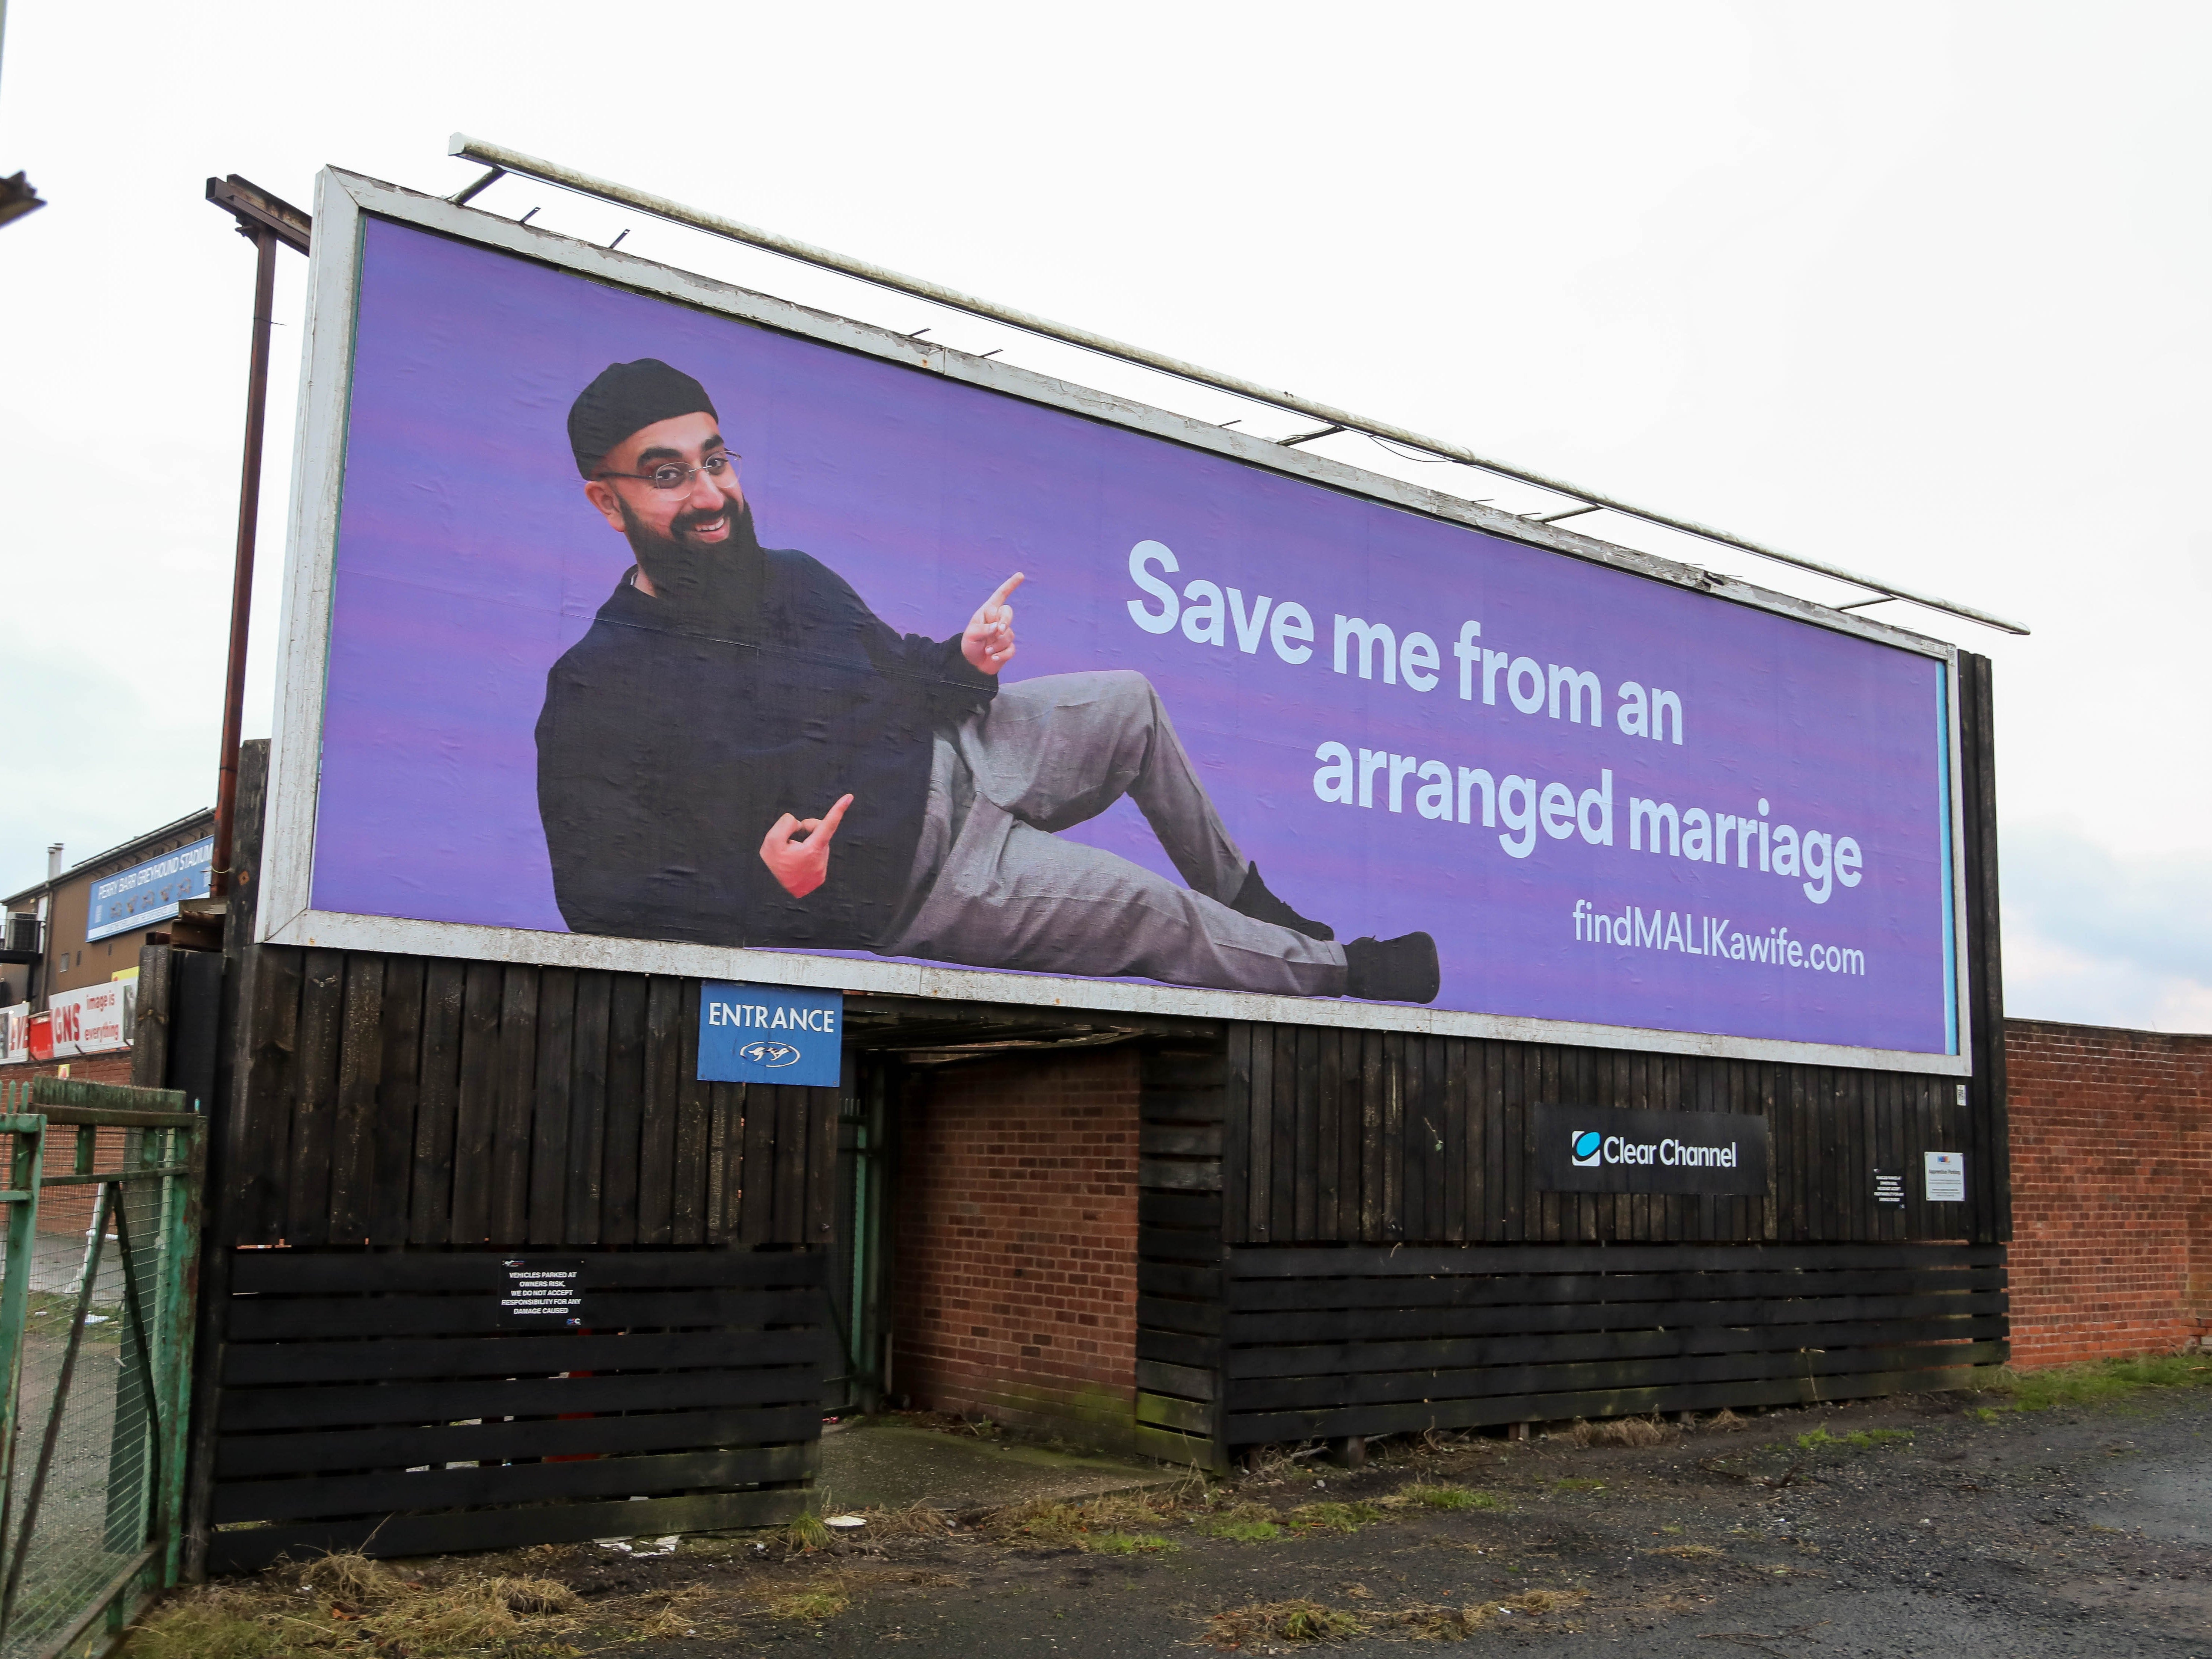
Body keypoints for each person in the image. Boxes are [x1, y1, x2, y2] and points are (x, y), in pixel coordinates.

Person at [534, 358, 1439, 1003]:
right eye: (666, 475)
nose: (707, 493)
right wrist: (766, 886)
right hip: (930, 879)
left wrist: (963, 660)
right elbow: (595, 895)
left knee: (1127, 698)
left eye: (715, 461)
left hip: (958, 754)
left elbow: (903, 675)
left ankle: (1256, 903)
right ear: (606, 502)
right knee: (1152, 912)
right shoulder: (598, 684)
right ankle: (1344, 971)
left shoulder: (793, 578)